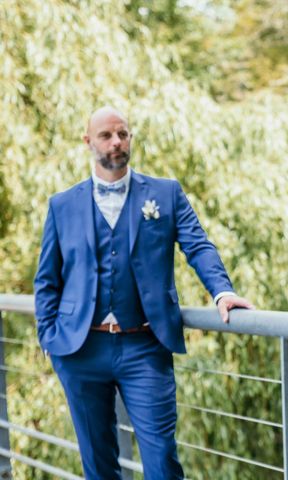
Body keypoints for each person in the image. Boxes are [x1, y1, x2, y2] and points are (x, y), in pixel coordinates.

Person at [34, 106, 253, 479]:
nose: (116, 142)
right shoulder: (62, 205)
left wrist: (222, 292)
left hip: (145, 347)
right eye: (106, 135)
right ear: (88, 142)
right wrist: (49, 336)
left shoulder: (165, 194)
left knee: (162, 462)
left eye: (123, 133)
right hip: (80, 350)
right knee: (98, 465)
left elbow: (198, 246)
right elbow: (47, 280)